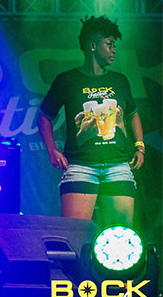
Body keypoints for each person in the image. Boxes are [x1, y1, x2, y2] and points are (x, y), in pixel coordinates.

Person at [38, 15, 144, 227]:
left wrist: (139, 146)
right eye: (109, 44)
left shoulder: (119, 80)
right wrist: (52, 149)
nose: (114, 50)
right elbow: (44, 116)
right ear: (93, 46)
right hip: (80, 166)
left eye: (114, 45)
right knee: (75, 235)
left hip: (118, 166)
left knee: (121, 236)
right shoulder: (67, 80)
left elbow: (133, 114)